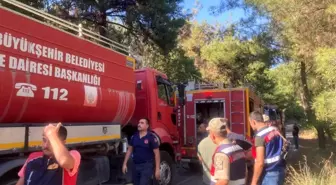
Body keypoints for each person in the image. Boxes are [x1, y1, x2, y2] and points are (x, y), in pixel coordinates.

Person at [16, 123, 81, 185]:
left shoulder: (73, 155)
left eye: (51, 141)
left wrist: (51, 134)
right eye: (44, 140)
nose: (46, 145)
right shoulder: (33, 157)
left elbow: (64, 161)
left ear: (63, 143)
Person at [249, 111, 285, 185]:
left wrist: (254, 182)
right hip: (279, 170)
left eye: (250, 123)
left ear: (253, 122)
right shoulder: (274, 130)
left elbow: (260, 162)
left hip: (269, 174)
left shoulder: (260, 137)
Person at [207, 118, 247, 185]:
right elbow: (245, 173)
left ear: (212, 136)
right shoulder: (238, 148)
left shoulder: (221, 153)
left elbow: (223, 181)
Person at [122, 118, 160, 185]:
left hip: (146, 166)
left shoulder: (151, 137)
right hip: (135, 166)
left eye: (142, 123)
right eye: (139, 123)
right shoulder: (134, 137)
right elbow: (129, 151)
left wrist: (157, 169)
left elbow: (157, 154)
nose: (139, 124)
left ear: (147, 126)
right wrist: (124, 164)